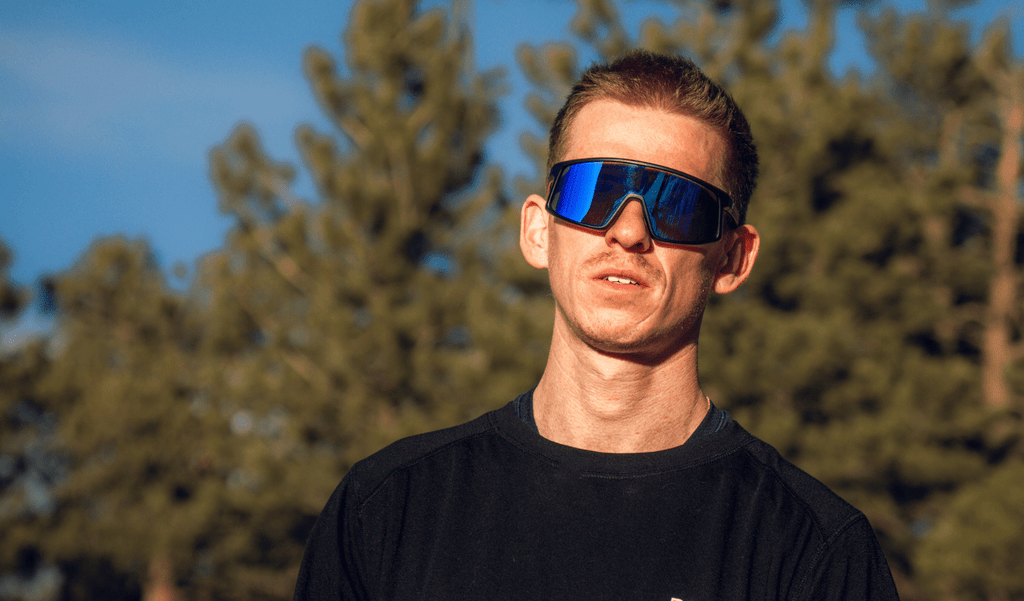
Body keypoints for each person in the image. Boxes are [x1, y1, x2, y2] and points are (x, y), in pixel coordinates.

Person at [294, 50, 901, 601]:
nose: (628, 231)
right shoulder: (386, 511)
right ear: (539, 230)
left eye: (677, 204)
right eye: (594, 189)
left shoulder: (813, 552)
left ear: (733, 258)